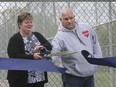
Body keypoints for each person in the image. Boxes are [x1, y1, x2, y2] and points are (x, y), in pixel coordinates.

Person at [51, 8, 102, 87]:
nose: (69, 21)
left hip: (89, 76)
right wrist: (47, 59)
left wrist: (97, 59)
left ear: (74, 17)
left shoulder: (86, 27)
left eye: (71, 18)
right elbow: (54, 53)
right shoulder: (59, 37)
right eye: (66, 19)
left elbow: (95, 44)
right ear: (60, 20)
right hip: (72, 78)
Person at [7, 12, 52, 87]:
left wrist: (40, 48)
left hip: (38, 78)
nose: (30, 24)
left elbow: (49, 46)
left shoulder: (37, 35)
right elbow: (14, 56)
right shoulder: (14, 39)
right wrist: (32, 57)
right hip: (20, 80)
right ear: (20, 24)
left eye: (31, 22)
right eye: (26, 22)